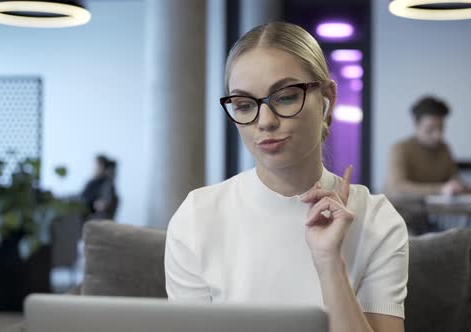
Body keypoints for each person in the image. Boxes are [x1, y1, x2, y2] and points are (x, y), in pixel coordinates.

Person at [165, 22, 408, 332]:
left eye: (285, 97)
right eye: (243, 105)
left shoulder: (377, 221)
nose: (265, 121)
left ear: (327, 97)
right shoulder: (196, 217)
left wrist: (329, 262)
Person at [384, 96, 470, 198]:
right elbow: (397, 188)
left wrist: (464, 188)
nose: (437, 135)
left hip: (430, 212)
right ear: (416, 125)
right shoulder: (400, 149)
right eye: (430, 129)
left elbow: (454, 180)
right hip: (396, 212)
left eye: (441, 128)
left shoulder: (444, 149)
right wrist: (440, 189)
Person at [81, 155, 119, 220]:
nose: (94, 168)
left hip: (92, 216)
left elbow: (105, 203)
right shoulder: (92, 182)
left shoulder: (107, 185)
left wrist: (100, 204)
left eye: (96, 166)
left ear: (103, 167)